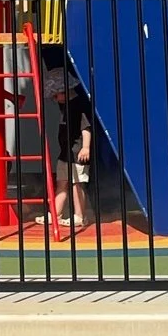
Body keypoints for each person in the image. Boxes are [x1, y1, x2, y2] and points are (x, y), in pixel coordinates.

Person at [48, 61, 95, 236]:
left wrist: (86, 147)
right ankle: (55, 213)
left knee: (77, 184)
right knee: (62, 183)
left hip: (76, 152)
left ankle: (80, 215)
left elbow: (86, 127)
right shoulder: (65, 106)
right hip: (65, 152)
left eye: (55, 95)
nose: (54, 99)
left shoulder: (77, 106)